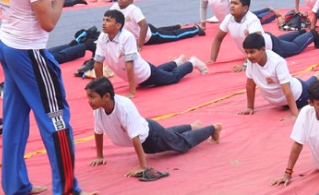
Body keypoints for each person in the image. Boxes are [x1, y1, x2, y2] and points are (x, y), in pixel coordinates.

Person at [0, 0, 94, 195]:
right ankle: (67, 190)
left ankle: (15, 184)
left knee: (14, 119)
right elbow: (48, 22)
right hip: (28, 52)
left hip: (7, 45)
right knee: (57, 119)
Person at [84, 76, 221, 181]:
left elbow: (135, 137)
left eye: (92, 97)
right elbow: (98, 132)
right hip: (148, 132)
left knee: (182, 144)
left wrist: (142, 167)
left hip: (151, 137)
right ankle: (192, 126)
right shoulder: (98, 109)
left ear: (106, 96)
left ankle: (212, 129)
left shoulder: (124, 107)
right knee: (169, 135)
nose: (89, 101)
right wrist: (99, 156)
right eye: (88, 97)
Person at [238, 32, 319, 115]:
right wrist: (250, 107)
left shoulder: (277, 62)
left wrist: (294, 114)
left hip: (299, 97)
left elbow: (287, 90)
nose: (249, 56)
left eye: (252, 52)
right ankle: (315, 77)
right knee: (306, 85)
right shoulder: (251, 61)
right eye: (246, 52)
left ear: (263, 50)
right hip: (287, 94)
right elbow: (250, 84)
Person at [93, 9, 206, 94]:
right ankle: (177, 62)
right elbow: (98, 64)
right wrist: (100, 89)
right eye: (103, 20)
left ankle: (192, 62)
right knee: (159, 71)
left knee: (172, 77)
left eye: (108, 21)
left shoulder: (127, 37)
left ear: (118, 25)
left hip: (145, 75)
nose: (103, 23)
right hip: (139, 77)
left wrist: (132, 92)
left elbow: (129, 65)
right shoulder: (103, 37)